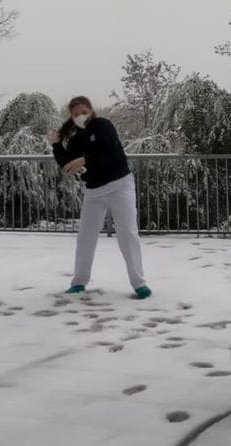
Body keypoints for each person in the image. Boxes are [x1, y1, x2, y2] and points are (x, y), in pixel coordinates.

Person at [48, 96, 150, 299]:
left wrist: (85, 159)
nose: (80, 116)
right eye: (75, 114)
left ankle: (139, 283)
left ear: (91, 110)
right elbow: (68, 164)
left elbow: (108, 150)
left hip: (120, 186)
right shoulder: (76, 138)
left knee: (127, 234)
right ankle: (78, 282)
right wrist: (57, 145)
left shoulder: (103, 125)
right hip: (94, 192)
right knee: (85, 237)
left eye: (83, 111)